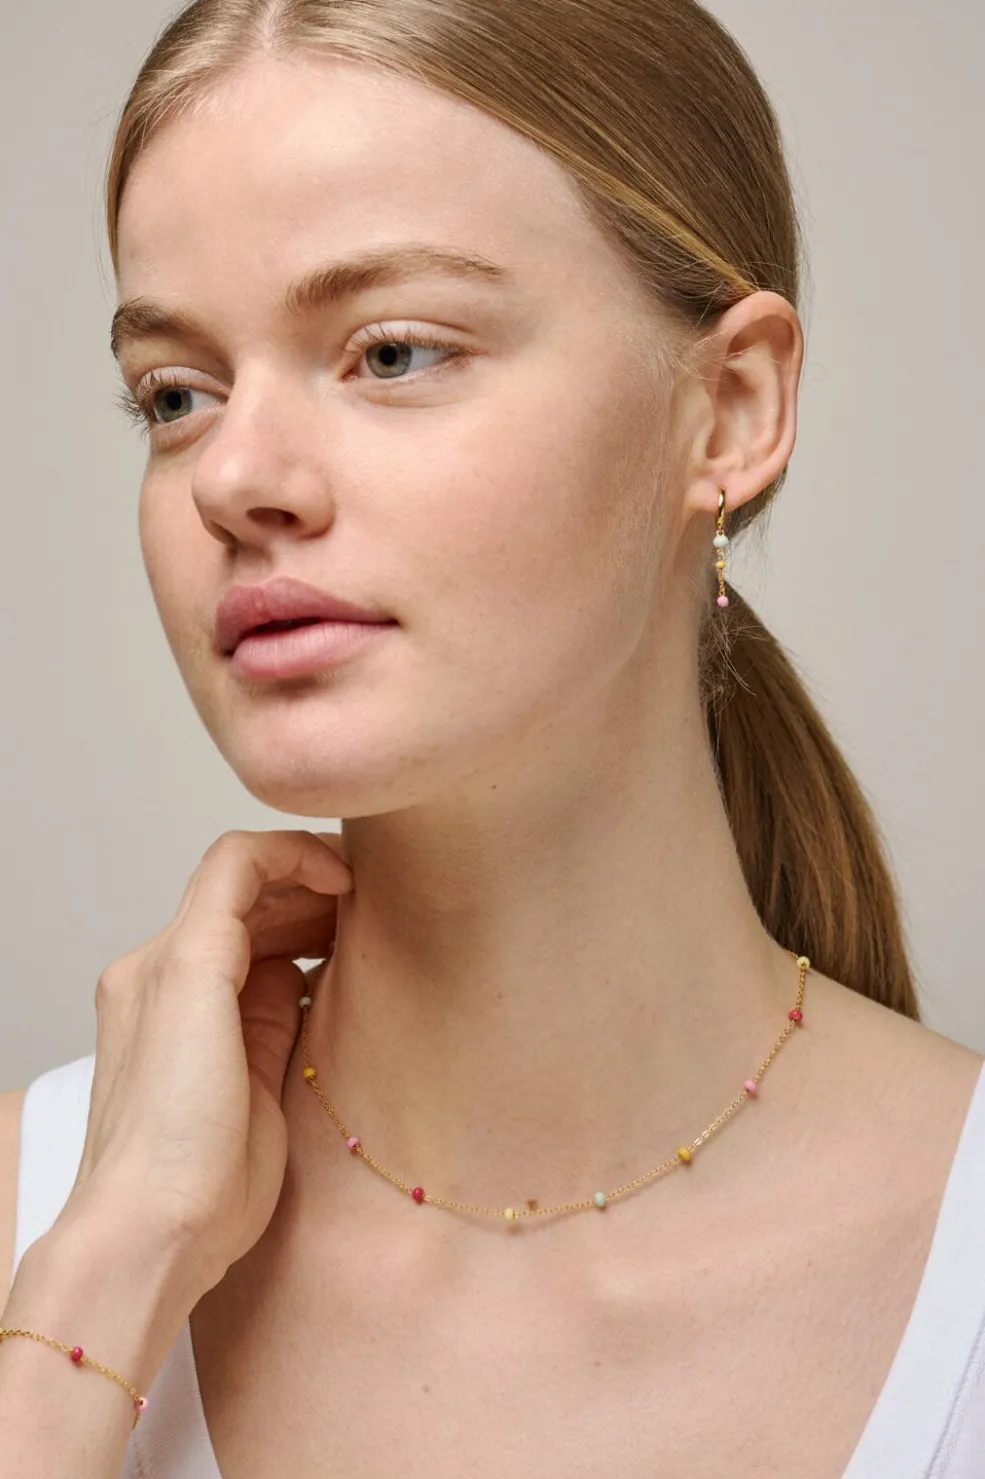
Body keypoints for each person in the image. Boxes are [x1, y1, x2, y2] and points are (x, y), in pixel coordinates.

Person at [1, 0, 983, 1474]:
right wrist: (96, 1293)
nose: (233, 477)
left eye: (393, 352)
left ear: (731, 408)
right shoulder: (51, 1230)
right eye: (178, 393)